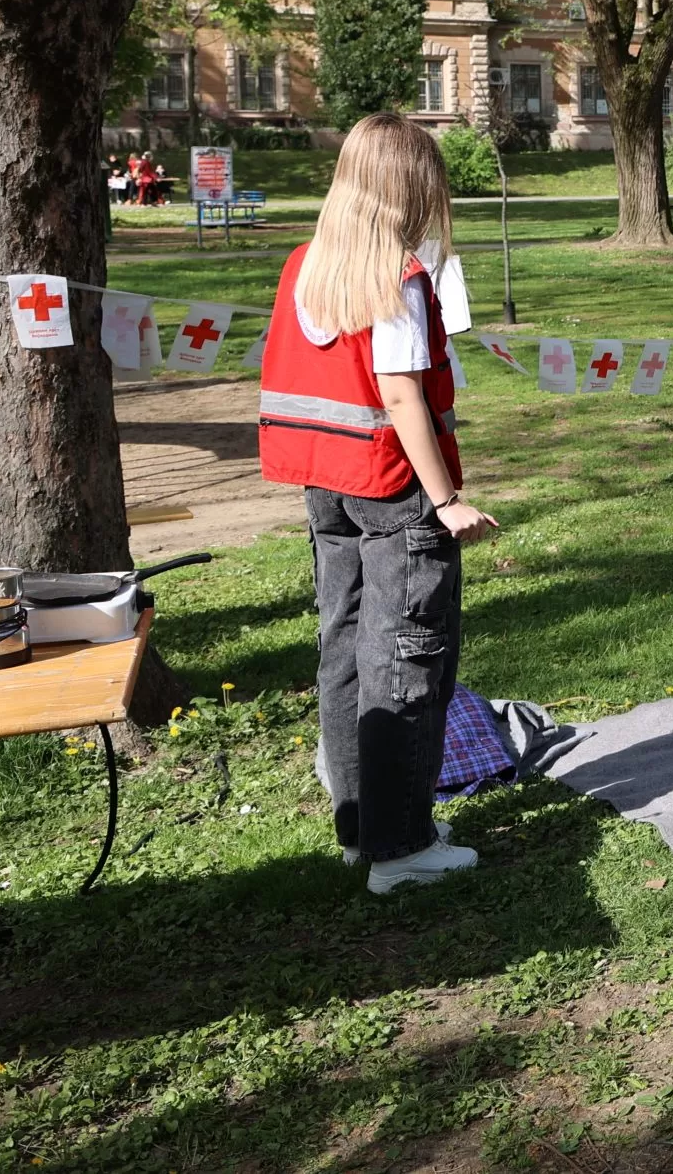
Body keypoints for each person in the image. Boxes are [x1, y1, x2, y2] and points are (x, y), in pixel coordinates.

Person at [257, 113, 497, 894]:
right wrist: (447, 498)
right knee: (406, 656)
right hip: (394, 489)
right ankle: (400, 846)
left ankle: (363, 823)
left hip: (324, 485)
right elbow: (400, 394)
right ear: (405, 190)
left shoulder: (306, 266)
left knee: (346, 647)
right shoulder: (394, 277)